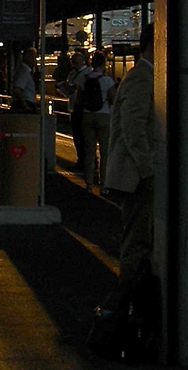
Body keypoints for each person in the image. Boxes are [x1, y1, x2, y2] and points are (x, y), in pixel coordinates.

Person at [104, 24, 156, 288]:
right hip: (136, 175)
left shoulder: (147, 76)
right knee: (138, 238)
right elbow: (133, 127)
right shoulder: (142, 77)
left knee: (141, 235)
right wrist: (148, 169)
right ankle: (124, 298)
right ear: (153, 45)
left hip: (138, 173)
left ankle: (128, 295)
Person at [81, 51, 116, 191]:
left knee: (89, 152)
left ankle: (89, 184)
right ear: (104, 63)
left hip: (87, 116)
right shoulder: (107, 80)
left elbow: (79, 97)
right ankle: (104, 184)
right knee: (105, 151)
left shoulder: (84, 79)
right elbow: (113, 99)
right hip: (104, 115)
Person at [60, 51, 91, 171]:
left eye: (76, 62)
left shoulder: (88, 73)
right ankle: (82, 159)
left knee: (83, 136)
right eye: (73, 62)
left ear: (83, 61)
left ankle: (86, 160)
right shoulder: (72, 74)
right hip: (74, 106)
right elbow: (69, 92)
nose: (74, 65)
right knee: (77, 135)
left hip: (83, 108)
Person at [10, 47, 39, 113]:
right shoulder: (24, 71)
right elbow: (17, 90)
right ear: (28, 57)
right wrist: (25, 106)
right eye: (33, 58)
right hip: (27, 103)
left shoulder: (25, 71)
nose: (35, 61)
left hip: (27, 103)